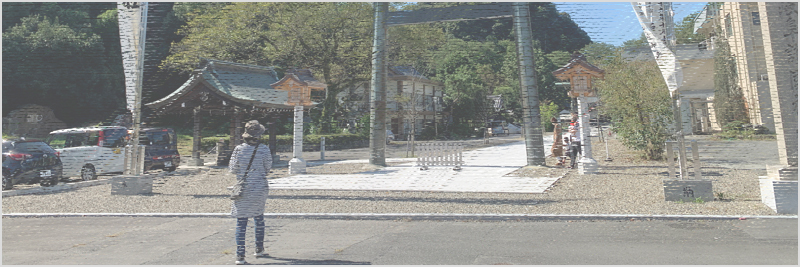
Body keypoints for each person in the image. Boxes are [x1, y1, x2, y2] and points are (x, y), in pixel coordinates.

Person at [229, 120, 273, 265]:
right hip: (260, 187)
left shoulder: (238, 149)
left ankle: (240, 255)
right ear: (259, 135)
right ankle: (259, 248)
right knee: (259, 218)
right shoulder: (264, 149)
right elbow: (268, 169)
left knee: (241, 222)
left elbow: (233, 169)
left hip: (244, 188)